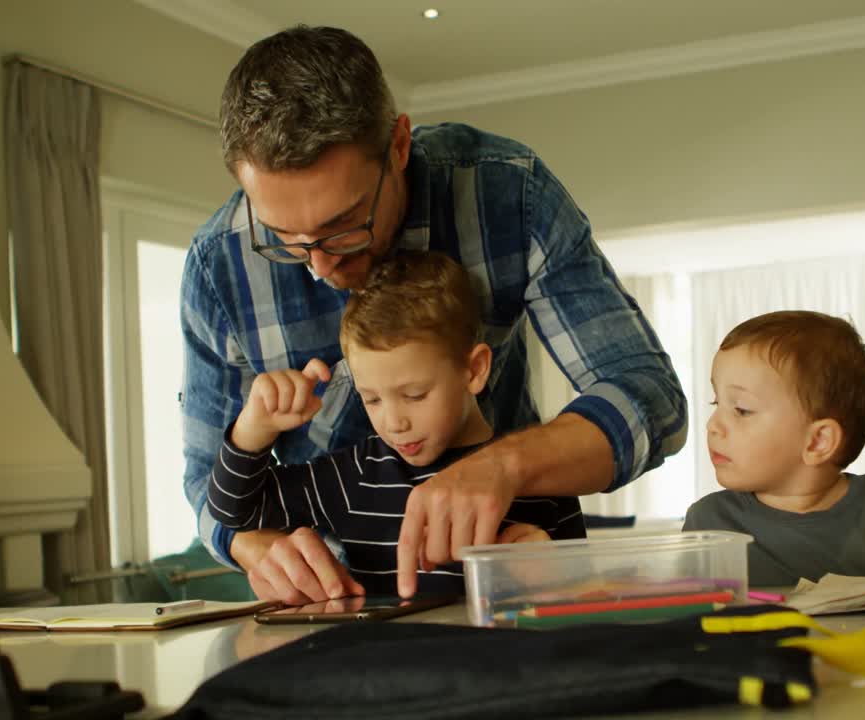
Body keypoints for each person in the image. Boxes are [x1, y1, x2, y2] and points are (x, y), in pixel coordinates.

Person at [182, 25, 685, 600]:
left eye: (344, 226)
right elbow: (209, 487)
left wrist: (506, 468)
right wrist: (255, 546)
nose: (317, 265)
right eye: (281, 236)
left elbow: (653, 399)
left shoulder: (508, 196)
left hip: (500, 599)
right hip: (333, 610)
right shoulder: (216, 265)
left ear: (399, 146)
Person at [207, 251, 580, 600]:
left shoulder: (541, 479)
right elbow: (234, 512)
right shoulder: (354, 475)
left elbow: (583, 603)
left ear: (474, 370)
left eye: (415, 395)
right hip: (379, 667)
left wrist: (552, 573)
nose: (394, 422)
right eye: (371, 399)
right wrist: (254, 429)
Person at [683, 311, 865, 586]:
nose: (712, 425)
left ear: (818, 441)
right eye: (716, 404)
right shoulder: (708, 522)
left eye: (741, 409)